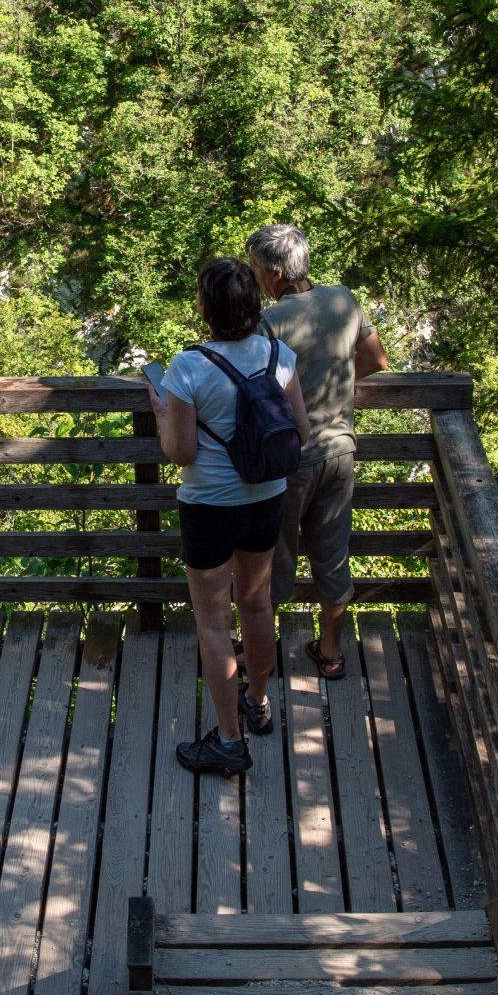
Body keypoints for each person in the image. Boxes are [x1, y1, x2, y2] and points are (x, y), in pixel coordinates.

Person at [148, 257, 310, 776]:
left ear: (206, 309)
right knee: (257, 604)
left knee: (214, 623)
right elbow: (300, 432)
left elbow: (181, 453)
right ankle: (258, 703)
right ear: (254, 306)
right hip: (266, 498)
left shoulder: (188, 367)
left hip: (209, 507)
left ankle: (227, 739)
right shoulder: (279, 355)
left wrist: (159, 410)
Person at [249, 222, 389, 681]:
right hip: (341, 451)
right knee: (332, 555)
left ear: (274, 273)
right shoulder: (344, 300)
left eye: (255, 268)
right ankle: (330, 653)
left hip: (292, 459)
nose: (253, 278)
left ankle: (262, 658)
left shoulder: (272, 323)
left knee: (274, 558)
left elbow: (254, 391)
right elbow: (375, 361)